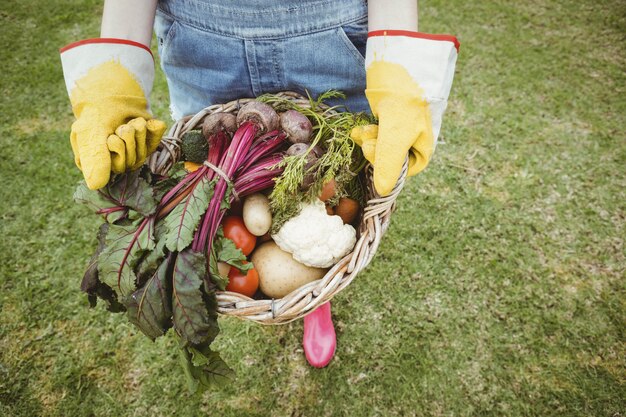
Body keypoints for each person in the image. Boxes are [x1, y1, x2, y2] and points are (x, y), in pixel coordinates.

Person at [60, 0, 458, 368]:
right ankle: (304, 270)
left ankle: (315, 284)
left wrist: (400, 73)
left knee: (342, 172)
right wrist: (116, 70)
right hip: (203, 42)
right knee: (201, 168)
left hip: (331, 37)